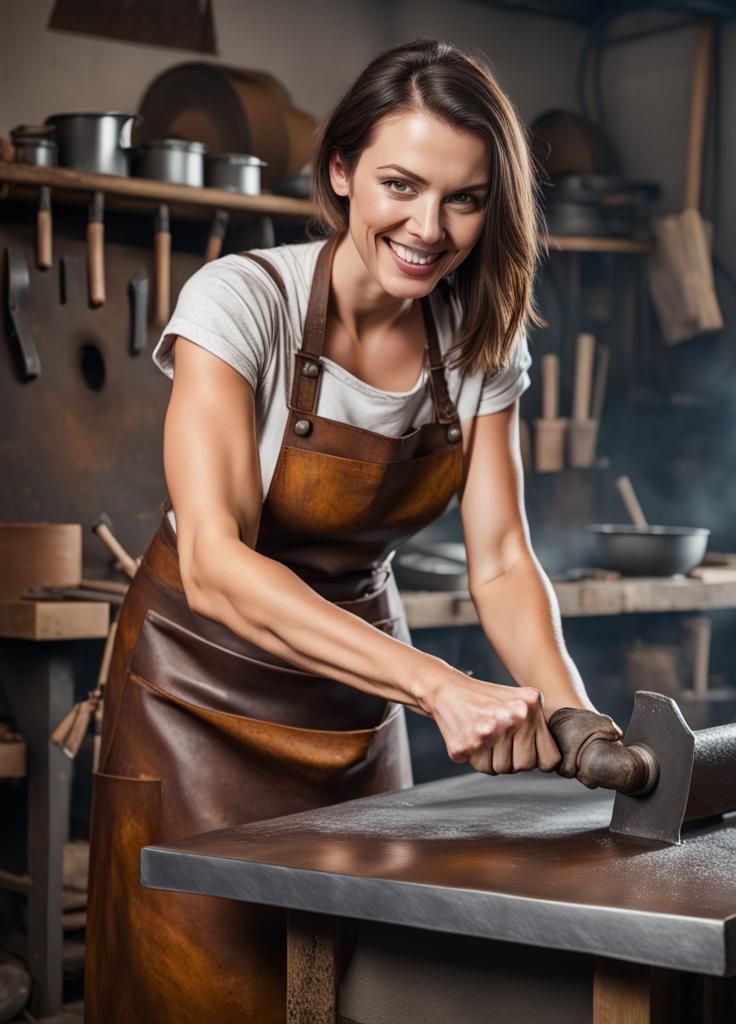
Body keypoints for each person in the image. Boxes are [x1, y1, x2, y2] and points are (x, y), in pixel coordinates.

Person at [84, 38, 621, 1024]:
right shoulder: (244, 301)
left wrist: (574, 713)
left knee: (355, 985)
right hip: (197, 691)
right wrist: (436, 686)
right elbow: (211, 558)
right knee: (202, 988)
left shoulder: (479, 342)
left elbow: (501, 559)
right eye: (400, 185)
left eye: (463, 198)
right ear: (340, 172)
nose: (429, 227)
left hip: (354, 696)